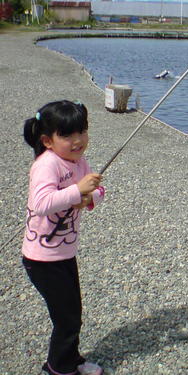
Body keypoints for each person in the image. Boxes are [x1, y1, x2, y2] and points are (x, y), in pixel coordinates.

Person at [22, 100, 105, 375]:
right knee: (66, 319)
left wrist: (89, 198)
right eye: (67, 135)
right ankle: (57, 369)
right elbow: (40, 203)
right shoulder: (47, 165)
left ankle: (71, 359)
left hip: (65, 253)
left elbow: (97, 189)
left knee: (73, 314)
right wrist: (76, 191)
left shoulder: (79, 162)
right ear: (47, 140)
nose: (77, 140)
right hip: (42, 259)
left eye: (82, 131)